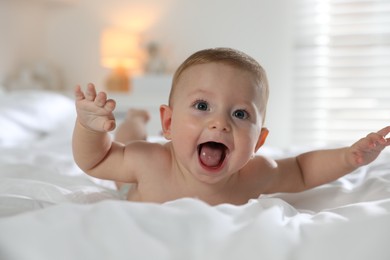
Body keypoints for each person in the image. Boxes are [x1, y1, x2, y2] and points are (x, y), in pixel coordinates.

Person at [73, 47, 390, 206]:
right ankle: (137, 119)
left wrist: (350, 157)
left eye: (240, 114)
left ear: (259, 141)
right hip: (134, 185)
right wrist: (91, 129)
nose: (219, 123)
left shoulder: (256, 174)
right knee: (131, 142)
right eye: (202, 106)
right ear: (168, 122)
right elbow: (97, 160)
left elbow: (303, 171)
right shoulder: (150, 162)